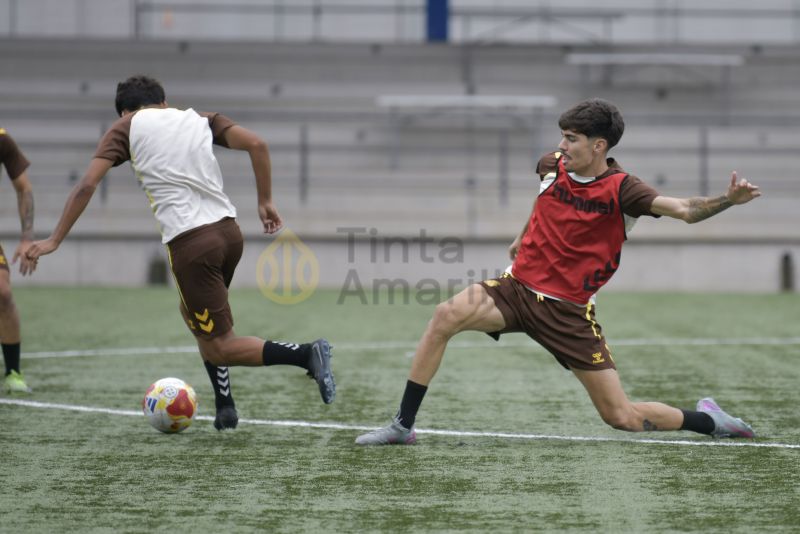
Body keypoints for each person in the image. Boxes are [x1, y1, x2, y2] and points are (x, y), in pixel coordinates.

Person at [356, 98, 760, 445]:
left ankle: (710, 421)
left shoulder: (624, 190)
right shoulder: (550, 165)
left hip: (568, 314)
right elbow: (544, 201)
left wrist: (728, 200)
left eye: (571, 139)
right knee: (445, 315)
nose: (561, 145)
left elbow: (686, 211)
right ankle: (402, 425)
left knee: (622, 417)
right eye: (562, 136)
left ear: (599, 145)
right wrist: (522, 235)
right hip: (515, 289)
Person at [26, 75, 335, 429]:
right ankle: (226, 406)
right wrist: (265, 201)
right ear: (163, 101)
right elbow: (258, 144)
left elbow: (86, 185)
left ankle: (306, 354)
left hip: (191, 244)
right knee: (195, 317)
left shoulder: (125, 126)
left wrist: (54, 240)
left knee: (220, 344)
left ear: (125, 111)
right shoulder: (199, 118)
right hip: (229, 234)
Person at [0, 128, 36, 394]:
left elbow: (24, 189)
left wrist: (26, 238)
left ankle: (13, 371)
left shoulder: (1, 138)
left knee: (2, 293)